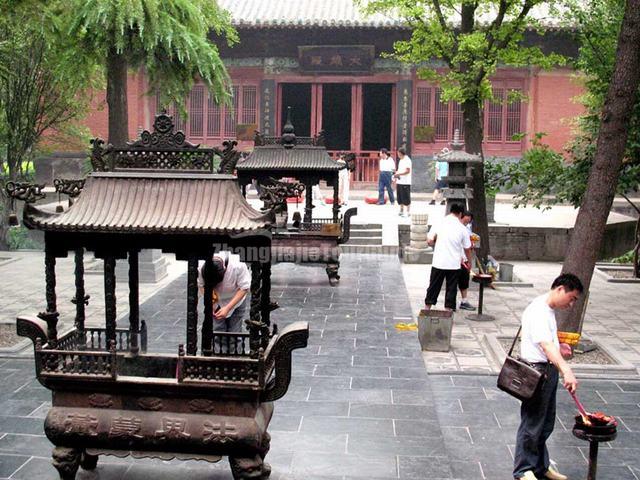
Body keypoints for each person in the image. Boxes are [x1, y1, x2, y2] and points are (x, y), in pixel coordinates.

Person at [513, 273, 582, 480]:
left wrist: (559, 347)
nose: (571, 304)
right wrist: (566, 370)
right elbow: (545, 345)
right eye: (572, 298)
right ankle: (523, 470)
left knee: (546, 423)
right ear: (561, 289)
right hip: (536, 373)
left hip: (547, 371)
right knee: (532, 423)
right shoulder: (539, 310)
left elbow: (546, 342)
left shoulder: (549, 309)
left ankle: (540, 466)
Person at [198, 251, 251, 353]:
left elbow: (244, 288)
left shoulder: (237, 264)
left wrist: (228, 308)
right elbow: (201, 286)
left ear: (225, 269)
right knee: (217, 333)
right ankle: (219, 360)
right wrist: (213, 304)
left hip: (236, 301)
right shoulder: (201, 266)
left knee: (235, 334)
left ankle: (235, 360)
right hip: (215, 302)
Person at [424, 203, 472, 311]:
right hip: (453, 264)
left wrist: (437, 239)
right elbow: (467, 248)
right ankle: (448, 310)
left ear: (450, 211)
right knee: (451, 288)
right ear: (460, 214)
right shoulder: (462, 228)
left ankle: (427, 308)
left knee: (434, 286)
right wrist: (469, 262)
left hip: (438, 262)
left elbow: (429, 241)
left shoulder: (439, 223)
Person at [458, 210, 476, 311]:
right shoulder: (456, 228)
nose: (466, 224)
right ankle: (450, 304)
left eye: (468, 222)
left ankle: (464, 301)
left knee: (464, 281)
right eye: (465, 221)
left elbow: (468, 245)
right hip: (455, 259)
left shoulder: (467, 229)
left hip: (464, 259)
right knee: (452, 282)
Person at [393, 147, 412, 217]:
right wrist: (396, 173)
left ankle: (408, 211)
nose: (397, 154)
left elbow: (407, 171)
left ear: (401, 153)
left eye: (398, 153)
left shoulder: (407, 160)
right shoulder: (401, 160)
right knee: (400, 197)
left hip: (405, 182)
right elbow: (400, 170)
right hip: (399, 181)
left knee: (406, 197)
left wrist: (399, 174)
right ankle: (401, 210)